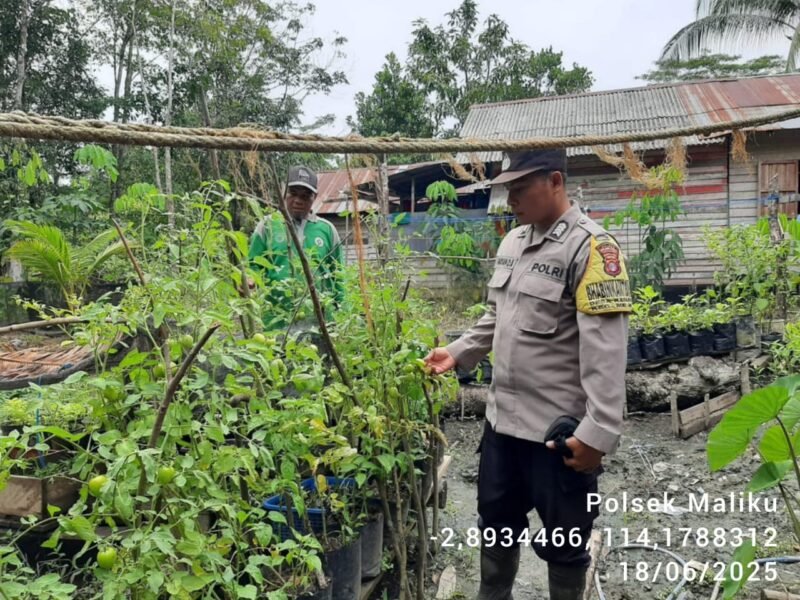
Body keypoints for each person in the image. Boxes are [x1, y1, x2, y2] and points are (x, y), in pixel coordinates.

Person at [424, 148, 631, 600]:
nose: (510, 199)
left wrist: (597, 434)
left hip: (557, 437)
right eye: (507, 190)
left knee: (565, 545)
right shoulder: (513, 242)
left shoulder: (592, 247)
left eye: (519, 188)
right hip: (502, 426)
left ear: (555, 181)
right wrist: (457, 352)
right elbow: (497, 317)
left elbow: (606, 350)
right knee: (496, 529)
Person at [247, 165, 344, 330]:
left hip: (319, 323)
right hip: (275, 322)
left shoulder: (327, 230)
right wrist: (249, 280)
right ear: (284, 192)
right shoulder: (267, 226)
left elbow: (338, 278)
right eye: (293, 194)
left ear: (315, 198)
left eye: (305, 196)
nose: (298, 200)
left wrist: (342, 316)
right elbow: (253, 265)